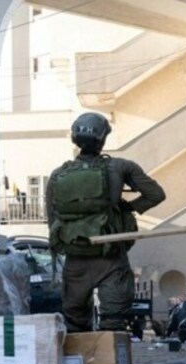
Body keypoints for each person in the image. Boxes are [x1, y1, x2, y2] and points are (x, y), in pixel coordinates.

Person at [46, 112, 166, 332]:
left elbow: (53, 221)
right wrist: (127, 207)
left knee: (75, 325)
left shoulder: (57, 175)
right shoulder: (120, 167)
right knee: (113, 324)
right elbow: (156, 194)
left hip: (76, 260)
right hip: (111, 258)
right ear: (103, 139)